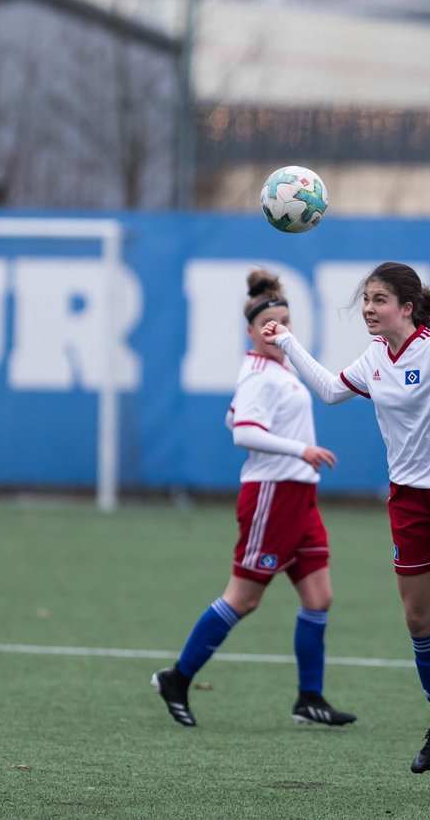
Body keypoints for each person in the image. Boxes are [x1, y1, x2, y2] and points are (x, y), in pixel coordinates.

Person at [260, 261, 430, 785]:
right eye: (366, 299)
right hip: (409, 500)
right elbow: (330, 390)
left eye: (379, 299)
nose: (368, 308)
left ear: (406, 308)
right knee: (418, 621)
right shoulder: (374, 357)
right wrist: (289, 343)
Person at [152, 269, 356, 729]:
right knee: (243, 598)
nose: (276, 330)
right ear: (250, 330)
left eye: (283, 323)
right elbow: (244, 431)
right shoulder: (261, 375)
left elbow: (232, 418)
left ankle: (309, 698)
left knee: (319, 597)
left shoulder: (275, 369)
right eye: (267, 324)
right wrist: (300, 449)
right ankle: (177, 678)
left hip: (300, 497)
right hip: (272, 495)